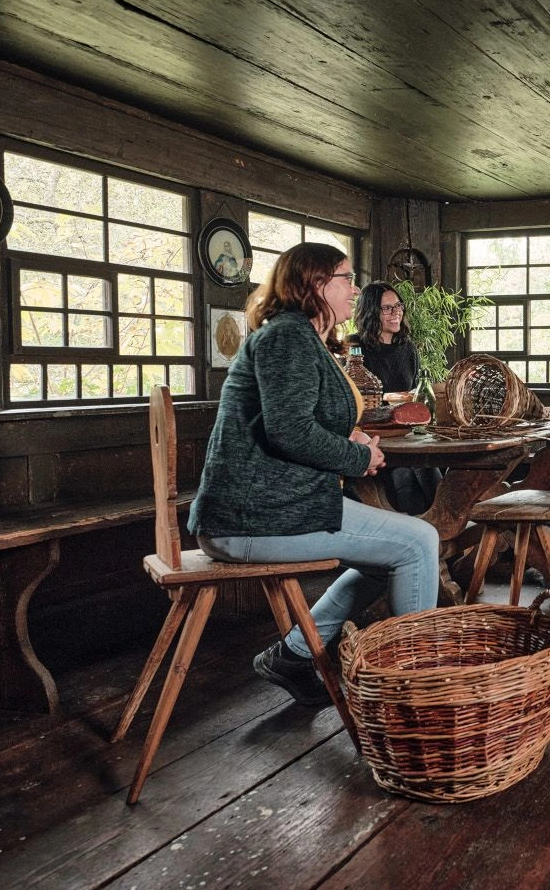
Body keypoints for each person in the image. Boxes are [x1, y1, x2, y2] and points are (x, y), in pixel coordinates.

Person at [188, 244, 440, 706]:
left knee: (394, 553)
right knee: (418, 542)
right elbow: (289, 430)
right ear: (315, 285)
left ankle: (295, 655)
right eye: (346, 277)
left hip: (276, 507)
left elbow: (297, 420)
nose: (355, 288)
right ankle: (411, 693)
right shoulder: (287, 337)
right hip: (252, 518)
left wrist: (354, 439)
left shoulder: (299, 337)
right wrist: (356, 458)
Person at [349, 280, 441, 514]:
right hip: (375, 437)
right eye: (387, 308)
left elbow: (414, 392)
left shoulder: (407, 348)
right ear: (371, 312)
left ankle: (443, 538)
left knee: (434, 478)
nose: (396, 312)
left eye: (398, 306)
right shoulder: (355, 347)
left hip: (408, 434)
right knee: (404, 482)